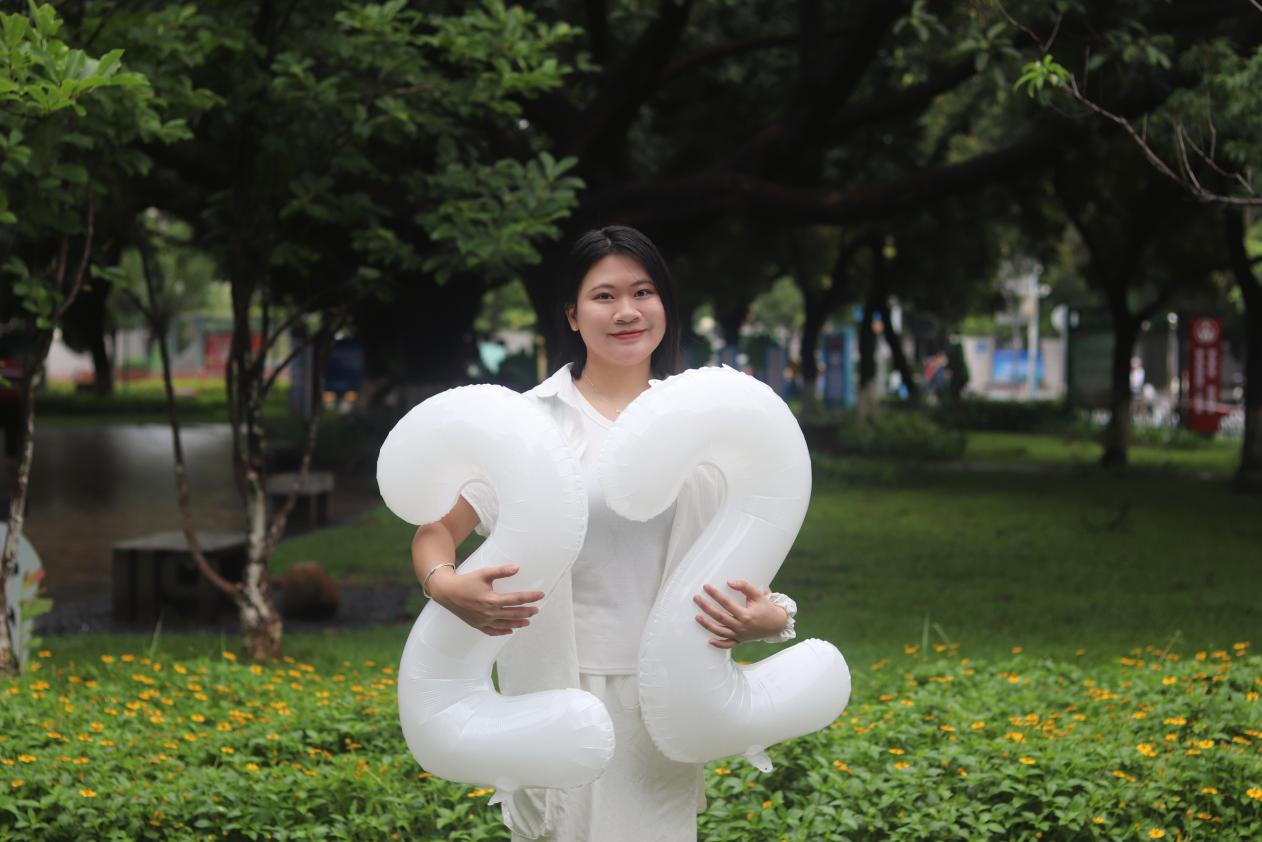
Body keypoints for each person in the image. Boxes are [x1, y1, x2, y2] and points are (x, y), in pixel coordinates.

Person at [410, 225, 799, 842]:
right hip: (554, 697)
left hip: (665, 695)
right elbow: (437, 529)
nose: (626, 312)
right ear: (572, 313)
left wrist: (771, 617)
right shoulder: (531, 425)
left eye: (643, 292)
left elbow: (741, 558)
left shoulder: (706, 426)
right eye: (604, 296)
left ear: (664, 304)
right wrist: (443, 584)